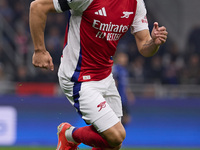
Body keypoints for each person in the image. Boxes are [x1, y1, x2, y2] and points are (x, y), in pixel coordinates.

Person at [29, 0, 168, 149]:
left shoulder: (135, 3)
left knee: (113, 144)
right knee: (116, 135)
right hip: (79, 77)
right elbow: (37, 7)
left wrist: (154, 42)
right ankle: (68, 134)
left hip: (105, 76)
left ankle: (69, 136)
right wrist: (39, 50)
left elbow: (144, 47)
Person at [112, 52, 135, 127]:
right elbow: (114, 82)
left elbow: (125, 84)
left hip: (123, 98)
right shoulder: (115, 69)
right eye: (123, 57)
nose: (125, 59)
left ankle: (118, 134)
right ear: (118, 58)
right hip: (118, 99)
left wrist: (129, 94)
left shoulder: (124, 70)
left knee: (126, 119)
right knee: (122, 118)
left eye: (126, 58)